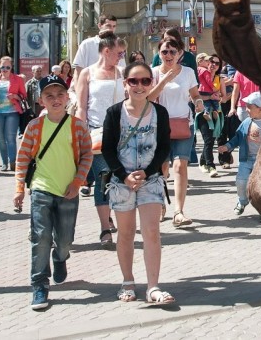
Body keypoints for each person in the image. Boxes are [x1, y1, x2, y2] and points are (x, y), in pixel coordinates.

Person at [13, 75, 92, 310]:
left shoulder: (77, 126)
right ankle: (39, 284)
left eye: (60, 95)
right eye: (49, 95)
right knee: (41, 237)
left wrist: (78, 181)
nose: (55, 99)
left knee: (65, 239)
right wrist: (19, 188)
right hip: (41, 188)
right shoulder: (35, 126)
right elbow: (23, 158)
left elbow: (87, 155)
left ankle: (60, 258)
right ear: (41, 101)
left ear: (67, 98)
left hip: (68, 190)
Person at [102, 62, 175, 305]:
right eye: (134, 81)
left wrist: (148, 171)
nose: (140, 86)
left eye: (145, 81)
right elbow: (108, 150)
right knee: (125, 233)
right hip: (121, 183)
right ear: (125, 84)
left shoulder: (159, 113)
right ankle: (127, 281)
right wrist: (124, 175)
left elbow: (164, 146)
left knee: (152, 232)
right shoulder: (114, 113)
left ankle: (153, 286)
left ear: (151, 83)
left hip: (151, 180)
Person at [75, 31, 125, 248]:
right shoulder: (87, 74)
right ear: (107, 51)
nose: (121, 57)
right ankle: (105, 228)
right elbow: (81, 106)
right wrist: (79, 133)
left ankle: (114, 217)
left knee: (119, 179)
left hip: (122, 134)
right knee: (104, 178)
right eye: (118, 53)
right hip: (96, 134)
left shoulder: (122, 73)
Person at [148, 36, 204, 227]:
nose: (169, 55)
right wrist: (164, 80)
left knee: (180, 166)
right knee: (162, 169)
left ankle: (178, 212)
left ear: (180, 53)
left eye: (173, 51)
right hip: (160, 127)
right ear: (159, 54)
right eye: (165, 51)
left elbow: (195, 94)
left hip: (183, 124)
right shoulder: (154, 72)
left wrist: (198, 103)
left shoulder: (188, 72)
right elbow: (148, 98)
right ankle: (160, 202)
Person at [218, 91, 261, 217]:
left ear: (260, 108)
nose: (247, 109)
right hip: (246, 159)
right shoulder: (246, 122)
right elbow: (237, 138)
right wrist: (227, 146)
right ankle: (242, 201)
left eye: (250, 107)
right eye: (246, 106)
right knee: (241, 182)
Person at [0, 56, 27, 171]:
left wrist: (15, 96)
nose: (5, 69)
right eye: (2, 67)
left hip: (12, 112)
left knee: (10, 138)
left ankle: (12, 162)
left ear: (11, 67)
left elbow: (24, 96)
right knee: (1, 139)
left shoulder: (18, 79)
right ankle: (4, 163)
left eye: (7, 67)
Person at [197, 54, 226, 176]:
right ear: (206, 63)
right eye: (211, 62)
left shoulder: (220, 79)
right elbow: (194, 96)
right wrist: (209, 96)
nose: (213, 64)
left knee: (211, 139)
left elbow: (224, 98)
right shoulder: (199, 77)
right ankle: (211, 166)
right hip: (202, 112)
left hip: (216, 111)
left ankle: (203, 161)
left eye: (217, 63)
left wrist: (218, 97)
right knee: (208, 139)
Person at [72, 14, 124, 81]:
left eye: (114, 26)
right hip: (90, 87)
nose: (111, 29)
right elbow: (78, 71)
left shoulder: (118, 46)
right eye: (108, 25)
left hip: (112, 86)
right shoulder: (87, 44)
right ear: (99, 26)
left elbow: (122, 70)